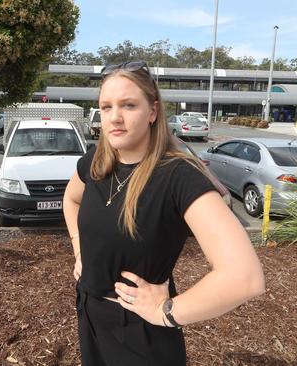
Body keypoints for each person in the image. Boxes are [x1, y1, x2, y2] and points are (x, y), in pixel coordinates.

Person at [62, 60, 265, 366]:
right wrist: (80, 249)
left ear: (153, 111)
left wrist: (167, 312)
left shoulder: (177, 176)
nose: (114, 117)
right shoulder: (97, 161)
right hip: (90, 315)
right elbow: (71, 201)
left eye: (128, 105)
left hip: (141, 335)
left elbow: (245, 277)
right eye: (106, 107)